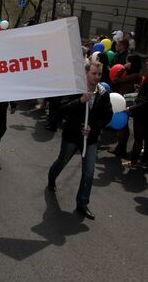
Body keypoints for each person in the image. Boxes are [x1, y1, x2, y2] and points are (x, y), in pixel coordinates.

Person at [47, 61, 113, 220]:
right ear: (86, 74)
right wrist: (80, 101)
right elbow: (61, 110)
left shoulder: (103, 93)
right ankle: (51, 178)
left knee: (89, 172)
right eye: (93, 74)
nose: (96, 77)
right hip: (72, 136)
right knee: (62, 161)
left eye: (99, 74)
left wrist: (93, 128)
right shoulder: (75, 89)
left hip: (90, 139)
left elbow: (108, 115)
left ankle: (82, 203)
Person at [109, 55, 143, 157]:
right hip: (127, 100)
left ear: (132, 63)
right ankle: (121, 147)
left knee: (123, 126)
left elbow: (116, 79)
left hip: (127, 101)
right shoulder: (136, 74)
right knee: (124, 125)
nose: (126, 63)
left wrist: (123, 68)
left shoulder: (135, 75)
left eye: (128, 62)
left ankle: (121, 148)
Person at [125, 58, 148, 168]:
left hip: (143, 114)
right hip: (143, 112)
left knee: (138, 139)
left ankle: (133, 163)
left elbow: (146, 102)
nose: (147, 62)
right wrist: (140, 89)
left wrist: (131, 109)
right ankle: (144, 162)